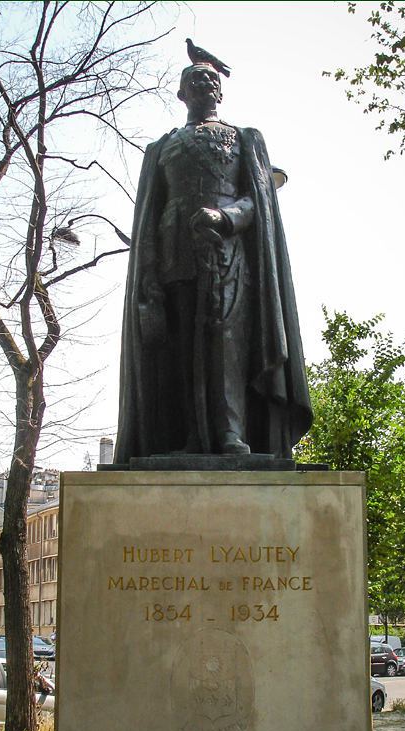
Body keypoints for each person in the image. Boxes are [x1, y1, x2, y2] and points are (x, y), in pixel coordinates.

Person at [114, 61, 312, 461]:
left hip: (227, 256)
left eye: (211, 78)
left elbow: (260, 202)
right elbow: (150, 216)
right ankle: (189, 436)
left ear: (220, 93)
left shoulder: (244, 139)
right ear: (181, 94)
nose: (204, 81)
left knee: (226, 345)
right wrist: (148, 280)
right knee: (179, 350)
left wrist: (225, 218)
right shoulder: (161, 148)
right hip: (175, 257)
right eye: (194, 78)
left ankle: (229, 433)